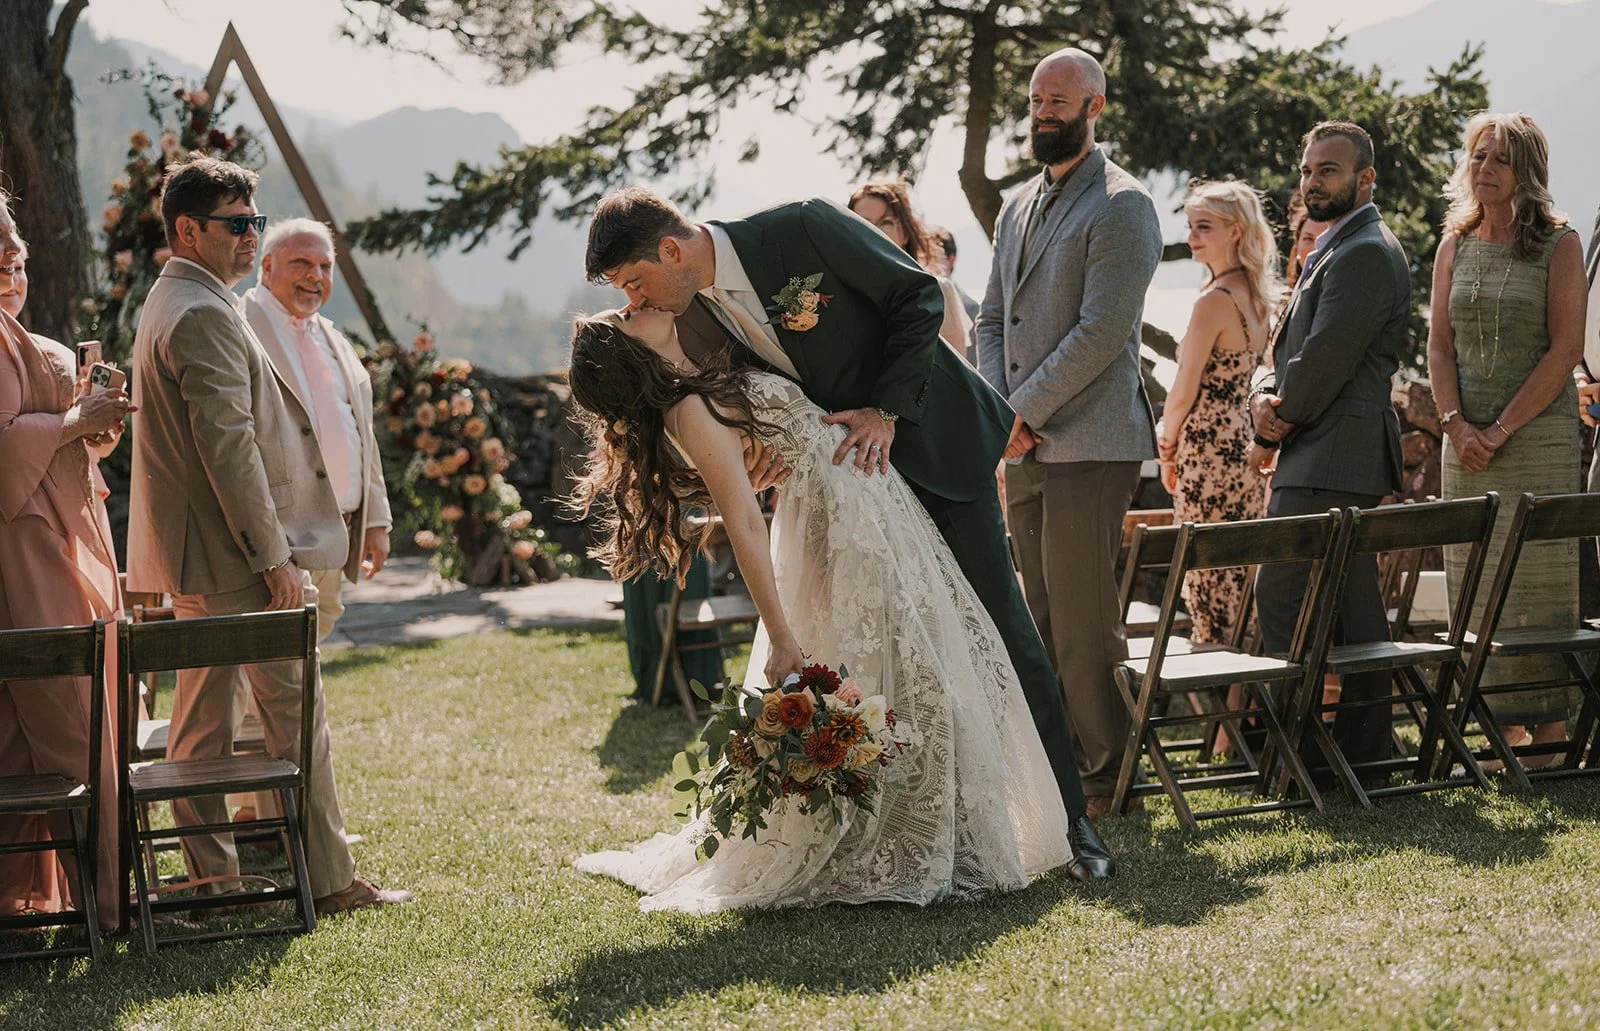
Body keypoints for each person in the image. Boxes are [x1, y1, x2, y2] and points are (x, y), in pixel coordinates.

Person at [581, 184, 1114, 880]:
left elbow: (917, 296)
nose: (635, 300)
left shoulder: (803, 228)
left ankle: (1073, 827)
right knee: (907, 657)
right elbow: (746, 399)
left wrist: (885, 410)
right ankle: (944, 830)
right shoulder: (692, 318)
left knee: (1003, 631)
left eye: (634, 281)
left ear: (671, 250)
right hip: (853, 503)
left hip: (933, 448)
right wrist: (762, 448)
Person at [125, 157, 410, 916]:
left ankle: (215, 881)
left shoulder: (174, 298)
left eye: (254, 221)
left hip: (198, 555)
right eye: (237, 224)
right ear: (189, 230)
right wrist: (274, 555)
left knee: (202, 722)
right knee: (296, 714)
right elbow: (230, 447)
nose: (250, 235)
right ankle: (329, 879)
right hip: (234, 559)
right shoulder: (203, 311)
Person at [973, 47, 1162, 818]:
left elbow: (1101, 332)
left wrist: (1021, 412)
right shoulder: (1017, 205)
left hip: (1091, 441)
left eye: (1058, 100)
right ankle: (1059, 769)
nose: (1042, 112)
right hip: (1021, 441)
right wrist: (1000, 413)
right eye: (1035, 100)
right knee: (1040, 615)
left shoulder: (1125, 205)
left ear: (1095, 107)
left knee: (1086, 622)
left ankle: (1112, 775)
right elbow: (991, 319)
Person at [1247, 121, 1409, 778]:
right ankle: (1359, 758)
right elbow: (1280, 353)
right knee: (1348, 610)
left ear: (1365, 179)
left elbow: (1318, 366)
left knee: (1285, 601)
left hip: (1332, 454)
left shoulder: (1365, 251)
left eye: (1329, 171)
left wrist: (1272, 421)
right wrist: (1262, 392)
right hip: (1322, 452)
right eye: (1308, 170)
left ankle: (1310, 760)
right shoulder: (1334, 245)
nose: (1312, 182)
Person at [1427, 112, 1587, 765]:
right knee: (1477, 581)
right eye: (1477, 156)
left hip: (1537, 441)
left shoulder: (1560, 243)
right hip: (1463, 446)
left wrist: (1497, 429)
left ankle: (1548, 727)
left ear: (1527, 171)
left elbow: (1565, 351)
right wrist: (1454, 424)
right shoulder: (1454, 243)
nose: (1484, 168)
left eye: (1499, 158)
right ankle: (1497, 725)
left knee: (1539, 583)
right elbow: (1439, 346)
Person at [0, 192, 127, 932]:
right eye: (0, 265)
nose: (12, 278)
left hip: (46, 535)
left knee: (43, 725)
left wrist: (94, 425)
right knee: (67, 717)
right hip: (24, 550)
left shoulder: (23, 337)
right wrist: (76, 418)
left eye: (17, 263)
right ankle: (106, 902)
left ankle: (52, 896)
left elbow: (58, 447)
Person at [242, 218, 391, 641]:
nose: (316, 276)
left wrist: (375, 519)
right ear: (266, 267)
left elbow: (361, 431)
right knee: (270, 665)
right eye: (302, 263)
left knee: (309, 658)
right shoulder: (239, 328)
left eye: (325, 266)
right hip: (275, 546)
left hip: (335, 535)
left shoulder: (333, 338)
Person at [1156, 180, 1280, 643]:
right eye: (1190, 227)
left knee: (1206, 570)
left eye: (1203, 227)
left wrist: (1166, 447)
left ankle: (1219, 672)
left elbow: (1183, 389)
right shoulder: (1259, 299)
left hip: (1206, 451)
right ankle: (1242, 676)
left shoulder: (1213, 302)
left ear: (1236, 231)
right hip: (1243, 446)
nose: (1191, 237)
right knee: (1239, 571)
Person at [847, 180, 972, 359]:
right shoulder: (837, 294)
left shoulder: (937, 292)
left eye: (887, 222)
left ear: (905, 233)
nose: (875, 232)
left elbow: (955, 370)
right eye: (863, 223)